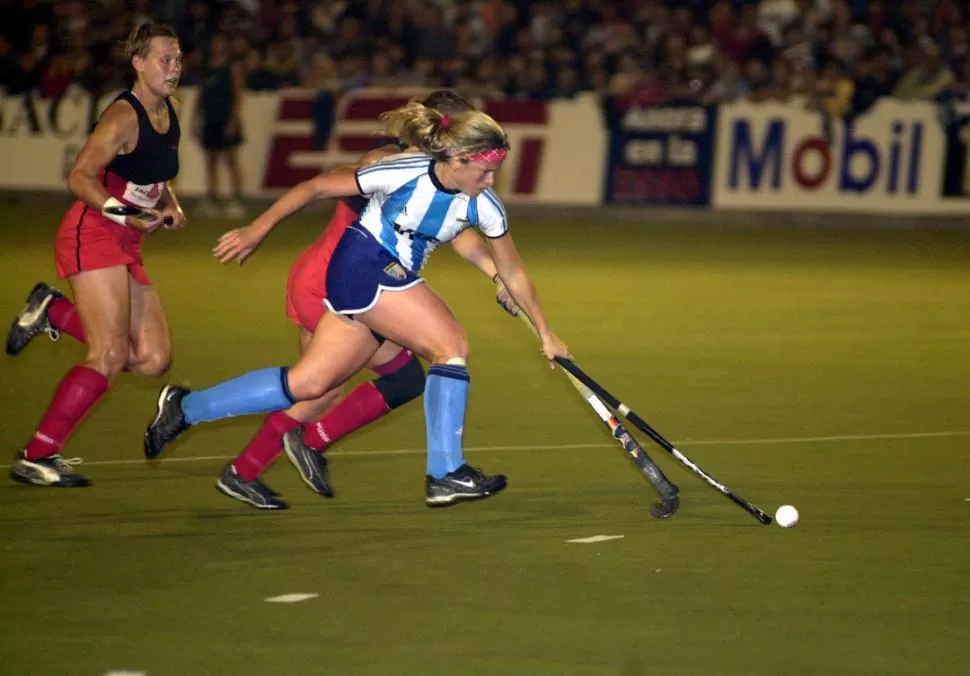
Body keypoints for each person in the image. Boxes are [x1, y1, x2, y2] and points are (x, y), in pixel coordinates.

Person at [145, 100, 569, 507]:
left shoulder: (482, 204)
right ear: (458, 158)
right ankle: (445, 472)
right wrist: (257, 230)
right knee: (451, 345)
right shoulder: (402, 171)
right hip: (361, 266)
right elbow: (316, 186)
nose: (493, 180)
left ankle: (187, 406)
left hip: (386, 282)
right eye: (488, 170)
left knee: (309, 385)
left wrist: (547, 334)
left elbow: (512, 270)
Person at [6, 21, 186, 488]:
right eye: (164, 59)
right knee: (107, 354)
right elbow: (80, 176)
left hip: (126, 242)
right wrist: (126, 214)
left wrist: (170, 205)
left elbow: (157, 175)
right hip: (95, 232)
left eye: (178, 58)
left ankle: (53, 310)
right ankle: (38, 454)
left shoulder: (169, 109)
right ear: (139, 62)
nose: (173, 67)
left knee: (152, 358)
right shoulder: (123, 116)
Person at [195, 32, 246, 218]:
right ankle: (212, 198)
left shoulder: (232, 68)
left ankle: (237, 199)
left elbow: (238, 95)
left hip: (226, 118)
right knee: (211, 161)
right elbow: (201, 96)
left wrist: (233, 120)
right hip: (210, 119)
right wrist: (196, 119)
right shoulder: (207, 68)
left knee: (231, 161)